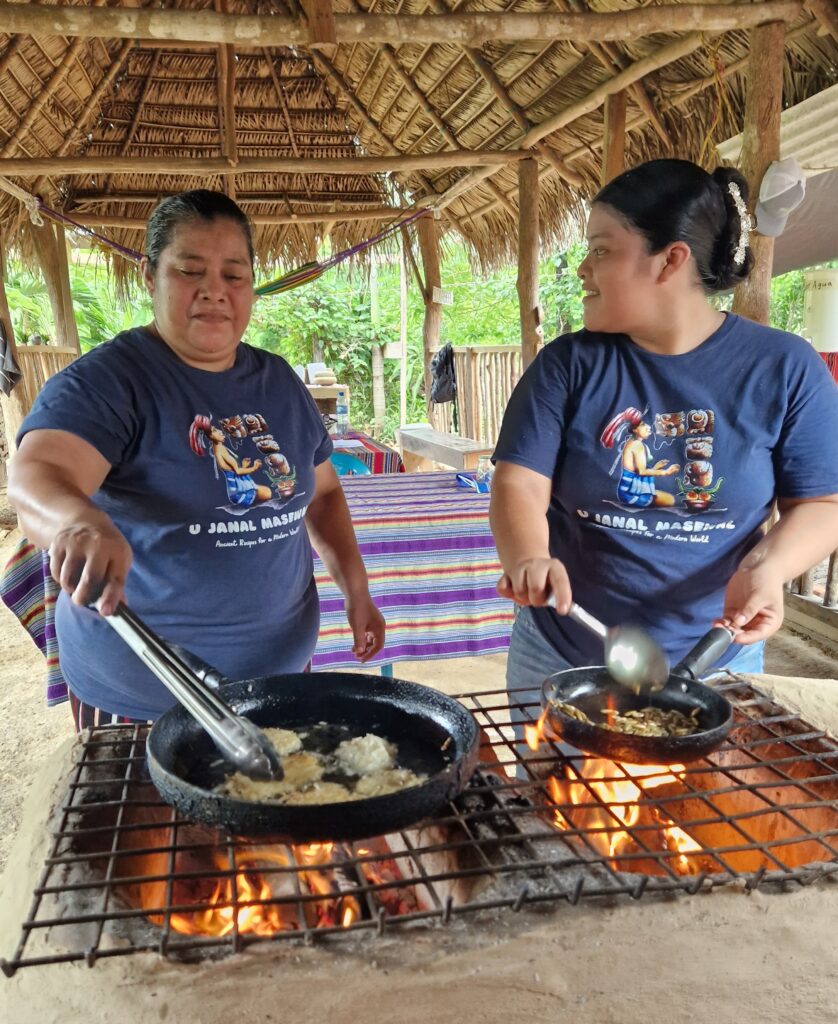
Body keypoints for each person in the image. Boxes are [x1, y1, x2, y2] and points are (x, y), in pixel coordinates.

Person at [8, 190, 385, 727]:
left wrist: (356, 589)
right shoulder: (111, 382)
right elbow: (37, 474)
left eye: (234, 275)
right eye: (190, 271)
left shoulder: (279, 382)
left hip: (279, 680)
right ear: (149, 275)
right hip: (144, 696)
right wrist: (77, 521)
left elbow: (321, 492)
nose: (214, 291)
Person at [490, 159, 838, 726]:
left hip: (718, 657)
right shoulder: (568, 364)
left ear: (670, 260)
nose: (582, 268)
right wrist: (529, 555)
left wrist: (769, 568)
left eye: (602, 249)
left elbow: (821, 506)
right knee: (542, 806)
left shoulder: (784, 369)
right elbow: (519, 483)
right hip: (562, 651)